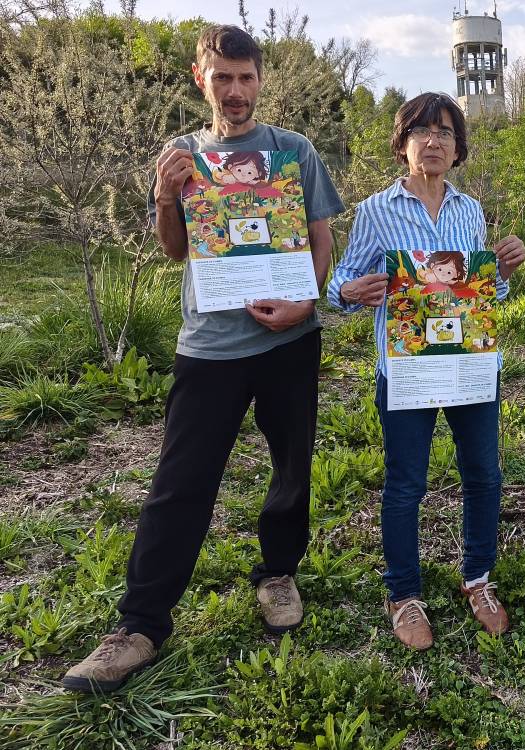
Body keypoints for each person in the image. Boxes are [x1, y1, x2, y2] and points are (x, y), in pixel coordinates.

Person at [64, 25, 344, 693]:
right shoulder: (183, 154)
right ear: (201, 78)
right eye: (224, 78)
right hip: (209, 346)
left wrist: (305, 305)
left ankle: (277, 574)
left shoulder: (292, 151)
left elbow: (319, 236)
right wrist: (165, 195)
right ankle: (139, 625)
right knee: (179, 484)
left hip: (288, 342)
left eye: (246, 77)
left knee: (291, 466)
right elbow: (172, 249)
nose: (237, 91)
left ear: (260, 79)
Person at [327, 92, 525, 651]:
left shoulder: (469, 211)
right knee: (406, 483)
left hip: (469, 369)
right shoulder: (375, 211)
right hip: (408, 370)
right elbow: (342, 281)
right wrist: (348, 291)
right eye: (422, 131)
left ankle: (478, 578)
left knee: (484, 475)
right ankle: (403, 592)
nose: (434, 141)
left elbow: (484, 294)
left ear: (458, 147)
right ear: (403, 144)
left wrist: (503, 271)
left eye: (444, 132)